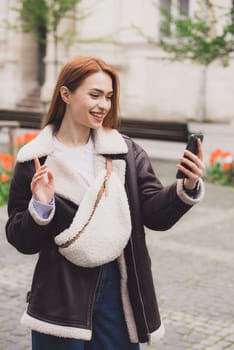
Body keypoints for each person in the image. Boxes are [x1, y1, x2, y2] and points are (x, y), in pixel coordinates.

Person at [5, 55, 205, 350]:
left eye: (109, 97)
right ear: (66, 94)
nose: (104, 105)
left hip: (119, 284)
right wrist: (41, 206)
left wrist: (186, 185)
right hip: (60, 292)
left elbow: (154, 214)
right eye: (95, 95)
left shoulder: (124, 152)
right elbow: (21, 238)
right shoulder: (35, 159)